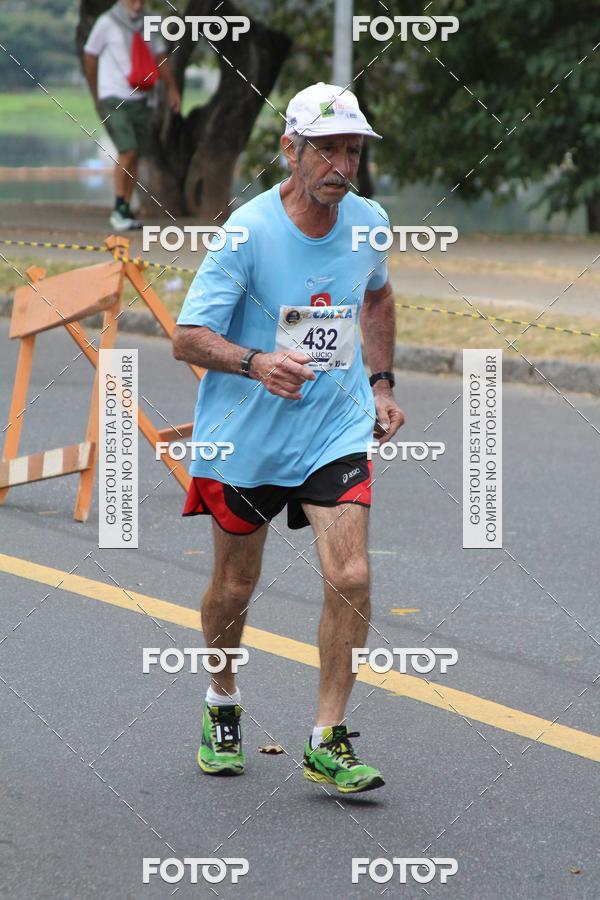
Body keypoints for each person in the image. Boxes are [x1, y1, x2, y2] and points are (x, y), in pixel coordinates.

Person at [172, 82, 405, 794]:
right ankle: (222, 700)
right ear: (291, 150)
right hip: (244, 436)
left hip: (331, 430)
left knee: (353, 574)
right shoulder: (247, 231)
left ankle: (326, 737)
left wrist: (382, 383)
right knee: (235, 585)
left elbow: (377, 296)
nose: (342, 163)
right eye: (328, 148)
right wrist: (255, 362)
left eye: (353, 150)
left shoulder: (368, 223)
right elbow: (186, 339)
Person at [83, 0, 180, 231]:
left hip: (140, 98)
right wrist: (96, 89)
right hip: (114, 96)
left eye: (141, 1)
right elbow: (90, 55)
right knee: (127, 150)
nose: (137, 6)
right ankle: (118, 207)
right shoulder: (106, 23)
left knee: (137, 154)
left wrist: (173, 88)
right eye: (133, 0)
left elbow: (160, 56)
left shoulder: (149, 23)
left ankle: (125, 206)